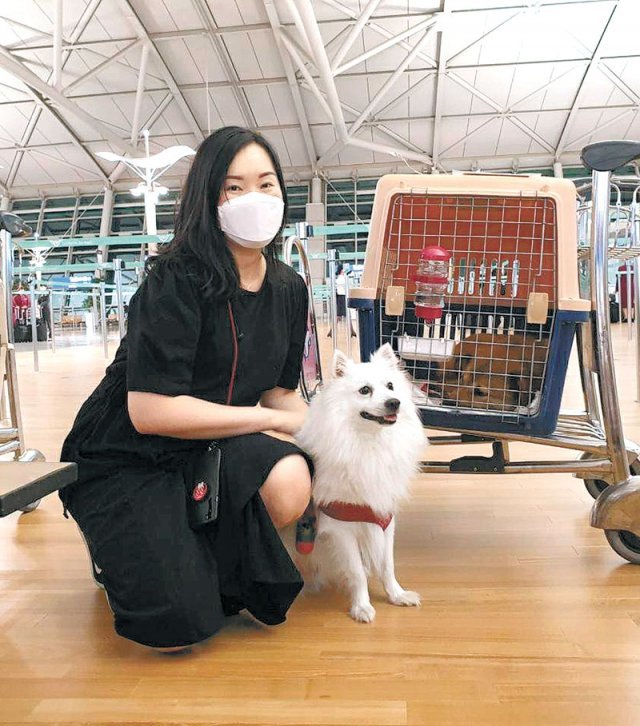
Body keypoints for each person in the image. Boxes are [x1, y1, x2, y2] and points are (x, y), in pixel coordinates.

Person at [59, 126, 313, 651]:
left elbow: (280, 392)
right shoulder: (175, 278)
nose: (255, 200)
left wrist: (328, 429)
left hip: (211, 441)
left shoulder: (288, 287)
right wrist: (271, 422)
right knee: (178, 625)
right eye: (233, 188)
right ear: (207, 197)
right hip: (127, 451)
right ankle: (119, 541)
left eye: (267, 185)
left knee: (290, 479)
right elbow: (151, 411)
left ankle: (184, 541)